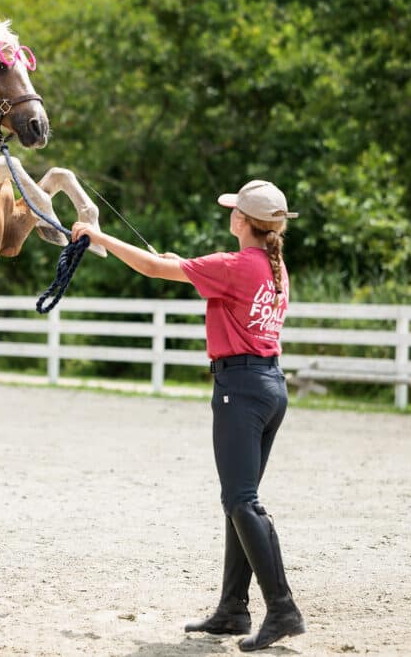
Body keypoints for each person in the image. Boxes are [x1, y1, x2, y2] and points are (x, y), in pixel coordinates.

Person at [71, 179, 306, 652]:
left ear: (242, 221)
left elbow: (156, 269)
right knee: (238, 499)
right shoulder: (275, 270)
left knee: (242, 501)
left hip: (239, 389)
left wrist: (98, 238)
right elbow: (186, 270)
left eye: (233, 211)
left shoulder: (236, 266)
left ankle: (281, 607)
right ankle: (233, 609)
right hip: (269, 385)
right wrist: (180, 264)